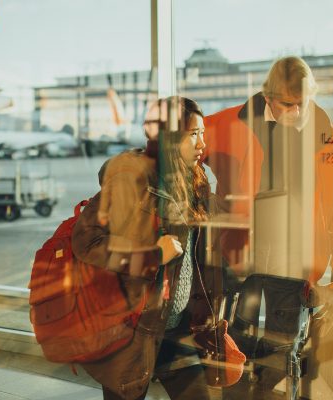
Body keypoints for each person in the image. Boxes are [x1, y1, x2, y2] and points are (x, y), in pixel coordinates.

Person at [202, 56, 333, 397]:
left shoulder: (325, 136)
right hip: (241, 256)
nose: (296, 110)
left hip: (295, 261)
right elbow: (182, 143)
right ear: (270, 97)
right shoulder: (233, 123)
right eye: (288, 104)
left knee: (281, 349)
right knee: (234, 343)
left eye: (302, 102)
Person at [72, 97, 212, 400]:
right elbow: (86, 241)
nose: (203, 142)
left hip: (175, 326)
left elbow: (196, 257)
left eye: (203, 132)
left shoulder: (196, 181)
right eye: (193, 134)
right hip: (131, 330)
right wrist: (152, 255)